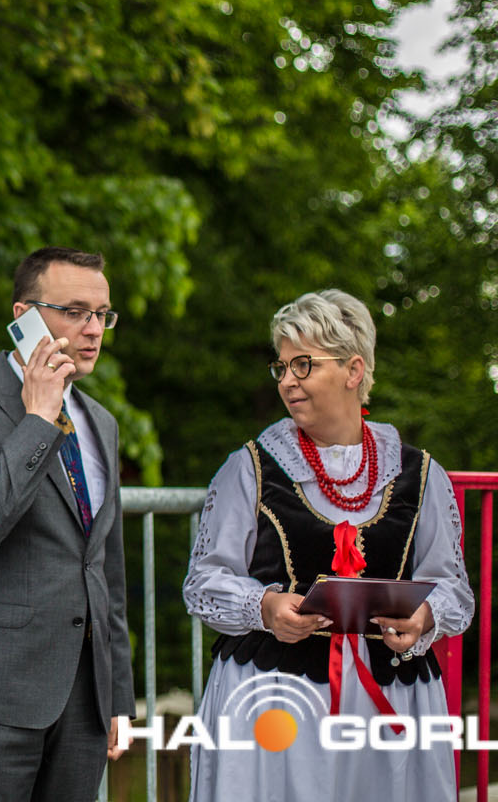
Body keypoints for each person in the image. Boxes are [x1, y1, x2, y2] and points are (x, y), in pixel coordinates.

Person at [182, 289, 474, 801]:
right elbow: (203, 582)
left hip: (390, 695)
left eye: (303, 365)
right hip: (276, 696)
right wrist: (265, 606)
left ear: (353, 370)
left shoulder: (421, 474)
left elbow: (454, 588)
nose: (286, 381)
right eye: (281, 368)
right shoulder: (249, 468)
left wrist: (424, 617)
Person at [0, 246, 135, 802]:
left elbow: (104, 568)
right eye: (75, 312)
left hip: (84, 701)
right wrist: (38, 418)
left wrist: (116, 696)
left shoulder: (101, 422)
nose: (94, 330)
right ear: (24, 317)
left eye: (102, 314)